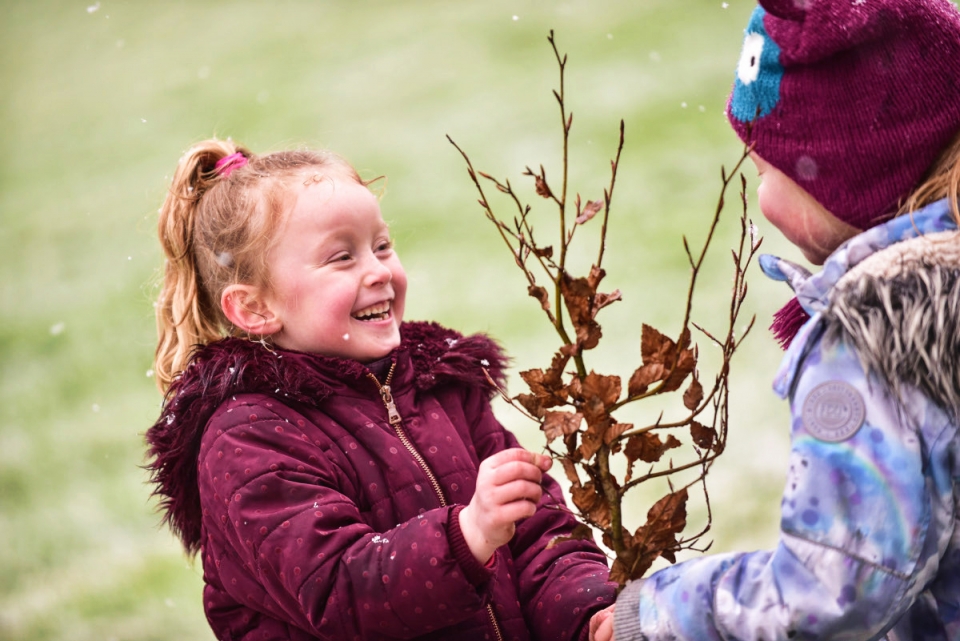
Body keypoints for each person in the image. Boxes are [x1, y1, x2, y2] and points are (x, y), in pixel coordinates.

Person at [144, 139, 615, 641]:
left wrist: (587, 616)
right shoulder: (247, 438)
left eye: (382, 246)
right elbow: (338, 592)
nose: (379, 270)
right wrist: (469, 535)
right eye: (342, 257)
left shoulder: (439, 387)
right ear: (254, 308)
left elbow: (540, 534)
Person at [592, 0, 960, 639]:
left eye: (764, 170)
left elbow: (831, 591)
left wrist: (655, 614)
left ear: (844, 176)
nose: (759, 196)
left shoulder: (875, 340)